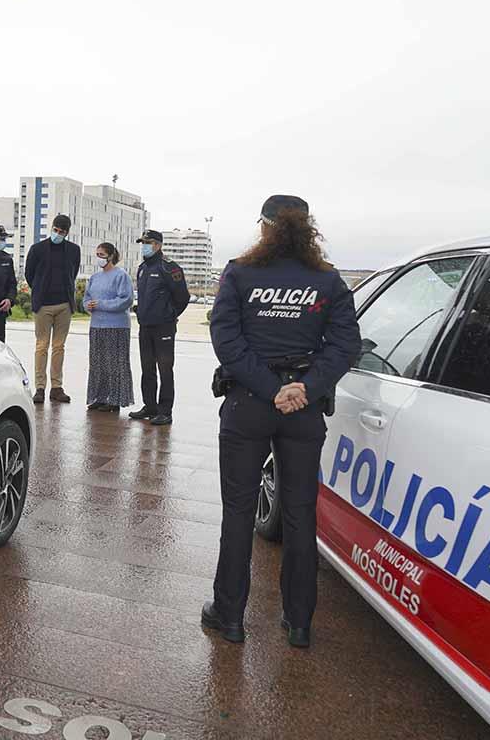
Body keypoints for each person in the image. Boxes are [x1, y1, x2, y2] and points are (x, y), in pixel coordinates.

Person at [201, 195, 361, 649]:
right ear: (308, 228)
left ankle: (229, 615)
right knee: (299, 514)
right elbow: (345, 345)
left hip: (248, 404)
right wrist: (304, 389)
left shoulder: (240, 272)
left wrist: (271, 389)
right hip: (302, 411)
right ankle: (298, 622)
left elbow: (226, 340)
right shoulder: (327, 280)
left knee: (237, 512)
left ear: (265, 226)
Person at [129, 229, 190, 426]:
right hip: (145, 326)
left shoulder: (169, 268)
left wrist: (169, 315)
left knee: (165, 369)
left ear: (158, 245)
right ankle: (150, 406)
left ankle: (165, 411)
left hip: (164, 327)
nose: (144, 246)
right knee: (147, 369)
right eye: (142, 243)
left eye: (147, 243)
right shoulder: (142, 268)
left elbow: (183, 298)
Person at [23, 214, 81, 404]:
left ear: (67, 233)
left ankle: (57, 387)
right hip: (43, 305)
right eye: (55, 230)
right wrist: (40, 290)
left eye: (61, 232)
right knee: (41, 346)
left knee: (59, 347)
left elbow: (73, 273)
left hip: (64, 305)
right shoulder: (37, 249)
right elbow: (29, 274)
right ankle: (40, 387)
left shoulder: (73, 250)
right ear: (52, 228)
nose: (57, 234)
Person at [83, 242, 135, 412]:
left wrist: (101, 304)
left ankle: (115, 399)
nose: (99, 258)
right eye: (97, 254)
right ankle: (99, 397)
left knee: (115, 363)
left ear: (111, 256)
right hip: (97, 325)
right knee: (98, 363)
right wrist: (87, 306)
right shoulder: (94, 278)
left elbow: (125, 300)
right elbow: (86, 298)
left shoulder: (121, 276)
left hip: (117, 327)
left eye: (102, 255)